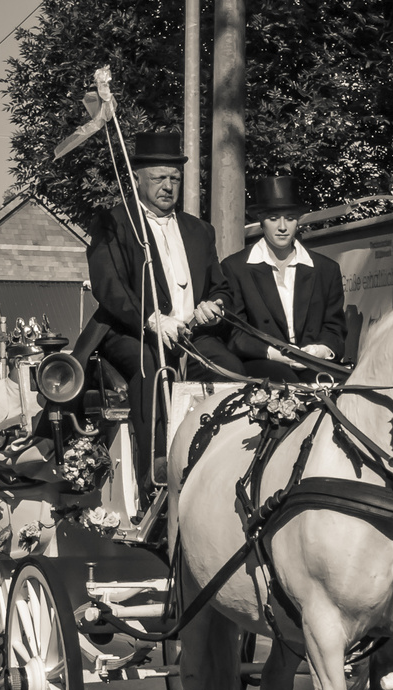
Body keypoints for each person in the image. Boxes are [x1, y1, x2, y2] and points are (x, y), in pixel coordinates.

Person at [85, 130, 239, 486]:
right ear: (137, 178)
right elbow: (110, 288)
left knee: (230, 368)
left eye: (174, 178)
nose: (168, 186)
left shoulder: (200, 230)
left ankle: (223, 471)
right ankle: (152, 475)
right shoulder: (115, 224)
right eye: (158, 178)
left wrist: (213, 307)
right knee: (152, 366)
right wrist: (154, 321)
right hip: (131, 331)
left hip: (192, 334)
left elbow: (221, 287)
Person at [220, 175, 346, 382]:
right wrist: (278, 354)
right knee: (286, 381)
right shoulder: (235, 268)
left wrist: (320, 351)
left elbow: (335, 327)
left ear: (298, 220)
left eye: (289, 218)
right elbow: (236, 333)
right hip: (262, 363)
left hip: (314, 365)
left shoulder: (326, 269)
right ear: (261, 220)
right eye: (273, 219)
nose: (282, 227)